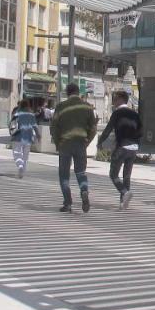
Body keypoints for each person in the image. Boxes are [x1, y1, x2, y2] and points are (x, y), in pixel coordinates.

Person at [52, 83, 96, 213]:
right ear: (78, 92)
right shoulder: (87, 107)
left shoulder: (60, 107)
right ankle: (84, 190)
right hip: (81, 142)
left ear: (67, 92)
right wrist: (87, 140)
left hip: (65, 143)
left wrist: (57, 143)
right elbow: (93, 128)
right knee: (80, 172)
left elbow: (54, 127)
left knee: (64, 175)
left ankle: (68, 203)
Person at [98, 90, 142, 209]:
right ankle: (123, 202)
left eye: (116, 99)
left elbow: (108, 129)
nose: (114, 101)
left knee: (113, 174)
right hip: (133, 148)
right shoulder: (135, 114)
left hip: (122, 147)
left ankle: (124, 192)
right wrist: (137, 145)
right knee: (127, 176)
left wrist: (100, 142)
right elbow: (140, 131)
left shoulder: (117, 113)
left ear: (122, 99)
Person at [9, 99, 39, 178]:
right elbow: (35, 126)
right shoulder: (31, 115)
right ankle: (22, 172)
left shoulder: (17, 114)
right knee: (25, 156)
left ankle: (20, 166)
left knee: (17, 154)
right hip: (28, 138)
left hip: (17, 137)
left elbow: (11, 125)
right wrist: (38, 135)